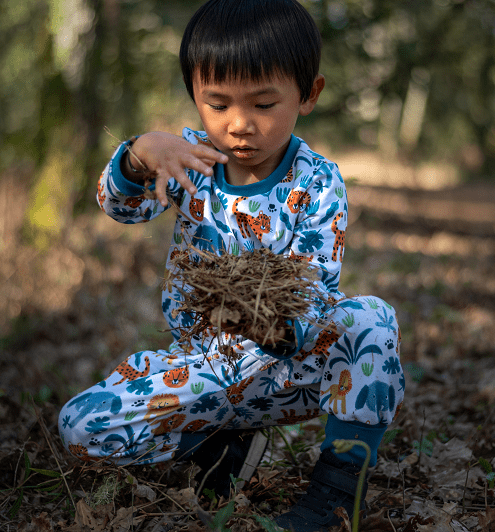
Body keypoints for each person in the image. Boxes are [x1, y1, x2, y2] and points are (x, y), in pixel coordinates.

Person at [58, 1, 405, 530]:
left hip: (286, 371)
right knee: (80, 427)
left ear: (309, 94)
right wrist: (141, 154)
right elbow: (121, 206)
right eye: (216, 104)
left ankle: (336, 494)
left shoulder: (317, 181)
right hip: (203, 368)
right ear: (194, 95)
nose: (239, 125)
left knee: (370, 321)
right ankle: (217, 447)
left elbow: (314, 290)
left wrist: (261, 314)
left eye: (264, 103)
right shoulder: (190, 159)